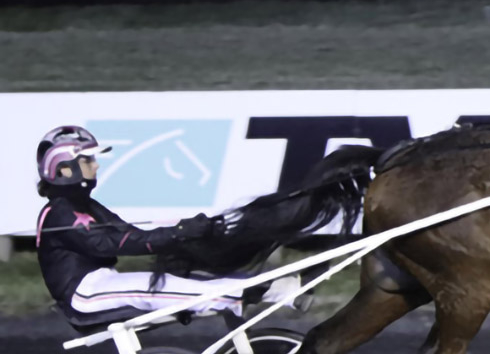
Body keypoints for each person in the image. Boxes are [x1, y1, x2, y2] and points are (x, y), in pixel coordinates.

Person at [35, 125, 302, 320]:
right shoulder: (59, 213)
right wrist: (177, 233)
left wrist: (188, 234)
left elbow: (133, 235)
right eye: (88, 160)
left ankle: (280, 288)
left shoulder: (87, 206)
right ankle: (272, 292)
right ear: (64, 168)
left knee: (188, 280)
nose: (95, 167)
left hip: (103, 283)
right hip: (85, 295)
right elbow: (112, 244)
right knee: (178, 290)